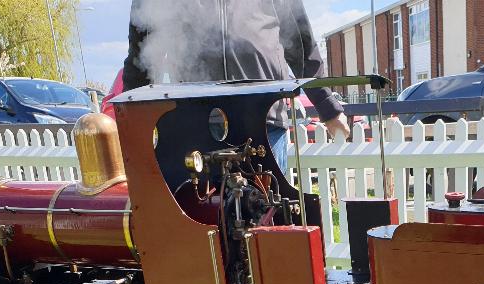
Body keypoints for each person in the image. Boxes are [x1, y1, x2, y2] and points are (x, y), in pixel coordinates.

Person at [122, 0, 349, 171]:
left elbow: (301, 43)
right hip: (194, 124)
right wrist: (129, 120)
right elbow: (141, 54)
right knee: (201, 211)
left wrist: (327, 106)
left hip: (264, 121)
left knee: (271, 213)